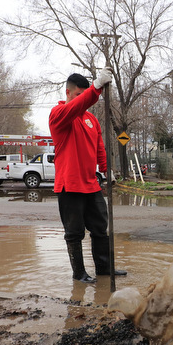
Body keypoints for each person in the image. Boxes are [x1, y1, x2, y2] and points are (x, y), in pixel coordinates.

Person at [49, 69, 127, 283]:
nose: (82, 100)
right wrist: (94, 89)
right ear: (68, 93)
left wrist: (106, 168)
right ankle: (79, 274)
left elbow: (99, 146)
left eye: (84, 95)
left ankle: (104, 269)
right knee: (74, 233)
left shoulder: (91, 119)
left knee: (100, 228)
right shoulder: (59, 115)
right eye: (78, 95)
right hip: (69, 185)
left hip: (91, 184)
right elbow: (77, 106)